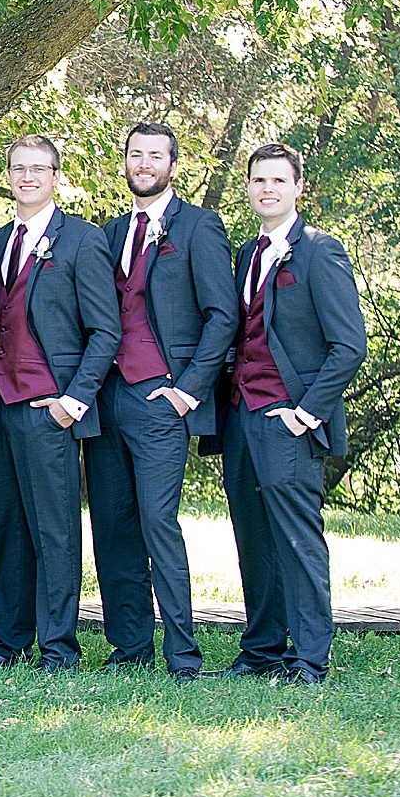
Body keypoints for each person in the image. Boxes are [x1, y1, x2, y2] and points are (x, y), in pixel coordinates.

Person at [210, 140, 368, 686]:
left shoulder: (320, 252)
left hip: (288, 419)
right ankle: (261, 650)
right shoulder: (247, 254)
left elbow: (349, 345)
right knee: (252, 537)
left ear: (299, 187)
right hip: (241, 417)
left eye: (279, 180)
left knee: (298, 539)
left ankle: (310, 658)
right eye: (259, 180)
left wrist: (307, 413)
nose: (268, 189)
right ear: (248, 187)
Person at [83, 123, 237, 681]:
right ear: (124, 162)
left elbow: (223, 317)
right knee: (114, 523)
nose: (143, 163)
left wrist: (186, 391)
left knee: (158, 522)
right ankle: (129, 647)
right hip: (107, 398)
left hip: (160, 399)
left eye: (155, 155)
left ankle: (182, 653)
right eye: (135, 154)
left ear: (173, 164)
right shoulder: (110, 230)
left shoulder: (199, 227)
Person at [0, 136, 121, 674]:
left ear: (57, 176)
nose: (27, 177)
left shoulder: (81, 241)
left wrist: (73, 402)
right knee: (5, 525)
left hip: (49, 408)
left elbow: (105, 331)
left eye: (39, 169)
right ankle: (10, 638)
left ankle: (58, 645)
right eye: (18, 168)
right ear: (9, 174)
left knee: (54, 529)